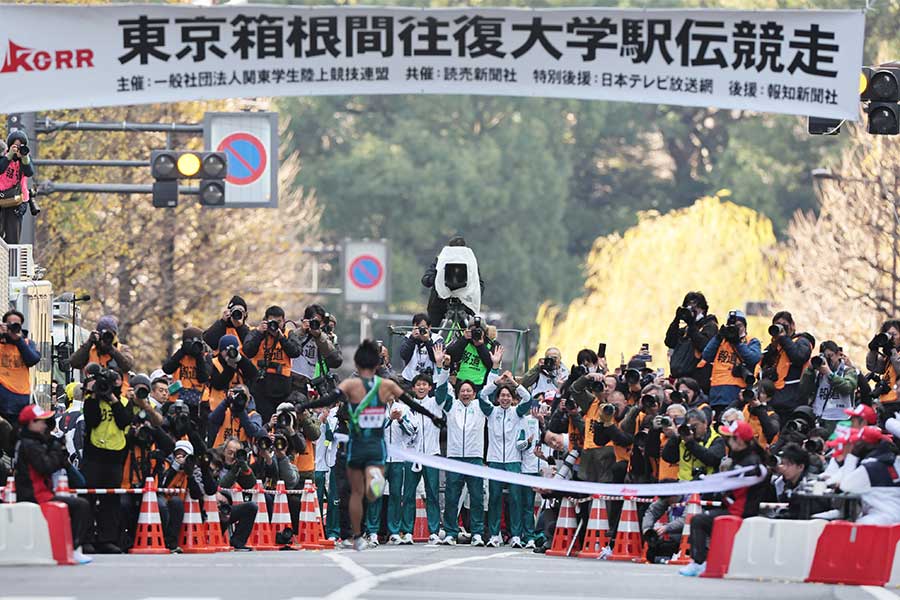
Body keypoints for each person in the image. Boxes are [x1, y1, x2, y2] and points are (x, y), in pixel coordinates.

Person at [296, 340, 444, 551]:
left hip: (382, 452)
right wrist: (306, 405)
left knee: (378, 493)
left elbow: (411, 408)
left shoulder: (390, 392)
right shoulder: (362, 390)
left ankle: (376, 532)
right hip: (361, 448)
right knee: (358, 492)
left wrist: (426, 417)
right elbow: (330, 399)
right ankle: (357, 533)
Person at [680, 420, 769, 576]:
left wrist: (717, 485)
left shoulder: (750, 462)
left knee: (698, 520)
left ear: (740, 441)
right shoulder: (740, 458)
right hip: (731, 508)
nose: (728, 440)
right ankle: (706, 560)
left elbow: (738, 488)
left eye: (731, 437)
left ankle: (699, 562)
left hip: (741, 512)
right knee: (703, 519)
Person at [14, 405, 93, 564]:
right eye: (41, 421)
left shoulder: (29, 442)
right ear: (31, 423)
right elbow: (46, 466)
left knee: (78, 504)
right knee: (81, 505)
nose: (45, 425)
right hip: (35, 496)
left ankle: (70, 548)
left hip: (41, 493)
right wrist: (57, 451)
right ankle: (72, 548)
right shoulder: (30, 445)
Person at [479, 369, 534, 548]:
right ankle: (495, 534)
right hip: (494, 460)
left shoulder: (517, 412)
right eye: (501, 395)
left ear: (512, 398)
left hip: (513, 461)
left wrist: (514, 383)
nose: (504, 398)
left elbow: (528, 399)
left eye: (507, 396)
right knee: (494, 497)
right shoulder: (491, 412)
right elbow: (481, 395)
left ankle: (516, 535)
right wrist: (496, 382)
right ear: (498, 398)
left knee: (515, 499)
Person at [81, 363, 131, 554]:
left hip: (115, 457)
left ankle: (107, 539)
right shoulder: (91, 401)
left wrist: (112, 398)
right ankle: (86, 538)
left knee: (111, 501)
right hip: (94, 456)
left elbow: (124, 421)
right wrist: (94, 394)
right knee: (88, 498)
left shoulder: (124, 402)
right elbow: (92, 421)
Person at [400, 372, 444, 544]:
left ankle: (434, 530)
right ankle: (407, 531)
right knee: (409, 494)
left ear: (430, 387)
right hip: (412, 455)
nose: (421, 387)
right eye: (418, 385)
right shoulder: (406, 407)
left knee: (432, 493)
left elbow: (442, 389)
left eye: (424, 385)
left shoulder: (435, 403)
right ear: (413, 387)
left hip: (432, 454)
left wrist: (441, 368)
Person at [243, 306, 302, 423]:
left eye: (278, 322)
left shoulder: (288, 334)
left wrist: (281, 338)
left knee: (281, 421)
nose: (275, 325)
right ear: (265, 320)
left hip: (283, 386)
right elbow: (248, 351)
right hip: (261, 385)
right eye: (272, 322)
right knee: (265, 420)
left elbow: (296, 352)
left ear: (284, 321)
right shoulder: (256, 332)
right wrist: (260, 333)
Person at [701, 310, 761, 416]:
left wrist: (737, 342)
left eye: (739, 326)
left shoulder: (751, 341)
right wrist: (719, 336)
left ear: (745, 327)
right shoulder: (721, 341)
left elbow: (753, 358)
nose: (736, 329)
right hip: (717, 391)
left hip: (738, 392)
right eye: (732, 326)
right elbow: (706, 355)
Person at [760, 311, 813, 424]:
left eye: (784, 325)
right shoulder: (775, 346)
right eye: (777, 325)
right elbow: (761, 365)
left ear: (792, 325)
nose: (780, 328)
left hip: (792, 401)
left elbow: (799, 357)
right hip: (774, 399)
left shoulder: (802, 341)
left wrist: (784, 338)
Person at [421, 236, 484, 328]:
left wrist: (469, 295)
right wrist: (438, 277)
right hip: (439, 303)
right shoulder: (441, 261)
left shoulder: (470, 264)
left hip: (464, 305)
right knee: (432, 333)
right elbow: (426, 280)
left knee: (467, 334)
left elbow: (479, 285)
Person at [800, 340, 858, 435]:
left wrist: (829, 374)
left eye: (830, 356)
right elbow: (804, 390)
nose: (828, 360)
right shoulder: (818, 372)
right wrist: (809, 371)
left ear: (838, 354)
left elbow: (848, 387)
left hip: (841, 419)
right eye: (825, 357)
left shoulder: (848, 371)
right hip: (820, 417)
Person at [664, 292, 718, 391]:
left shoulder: (709, 326)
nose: (692, 312)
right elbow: (669, 341)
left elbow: (704, 346)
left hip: (698, 380)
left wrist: (692, 325)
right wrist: (676, 320)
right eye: (688, 308)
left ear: (703, 309)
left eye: (695, 308)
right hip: (679, 378)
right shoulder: (685, 329)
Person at [215, 438, 260, 550]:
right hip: (211, 507)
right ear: (224, 451)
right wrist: (234, 470)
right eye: (229, 453)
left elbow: (250, 484)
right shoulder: (215, 462)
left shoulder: (237, 467)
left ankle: (238, 542)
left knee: (251, 507)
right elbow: (222, 485)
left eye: (235, 454)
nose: (231, 456)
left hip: (226, 508)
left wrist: (244, 466)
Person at [0, 309, 42, 426]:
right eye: (10, 324)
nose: (13, 327)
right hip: (2, 393)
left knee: (15, 434)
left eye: (16, 325)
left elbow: (32, 360)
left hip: (19, 397)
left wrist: (18, 340)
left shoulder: (27, 343)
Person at [661, 408, 725, 481]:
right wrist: (675, 437)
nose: (693, 430)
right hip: (684, 485)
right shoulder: (683, 439)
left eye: (695, 426)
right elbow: (668, 457)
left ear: (705, 423)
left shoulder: (716, 439)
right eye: (690, 427)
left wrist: (690, 443)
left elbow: (712, 459)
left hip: (706, 485)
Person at [69, 315, 135, 377]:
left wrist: (112, 349)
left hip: (118, 388)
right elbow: (74, 363)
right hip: (94, 388)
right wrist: (89, 342)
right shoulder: (90, 350)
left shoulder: (122, 349)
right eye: (104, 335)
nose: (106, 338)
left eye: (110, 336)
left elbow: (127, 366)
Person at [0, 130, 34, 243]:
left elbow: (29, 172)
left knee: (13, 236)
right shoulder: (3, 156)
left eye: (21, 146)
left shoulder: (26, 159)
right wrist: (9, 155)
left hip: (17, 200)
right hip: (1, 198)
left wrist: (24, 158)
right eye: (15, 146)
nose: (18, 149)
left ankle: (9, 259)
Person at [161, 326, 210, 407]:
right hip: (177, 400)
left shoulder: (205, 357)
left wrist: (199, 356)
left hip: (199, 402)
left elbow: (203, 378)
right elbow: (167, 369)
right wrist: (183, 351)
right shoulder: (180, 355)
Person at [446, 316, 497, 390]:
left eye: (479, 331)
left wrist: (480, 346)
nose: (476, 333)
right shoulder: (464, 341)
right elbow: (452, 356)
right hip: (461, 383)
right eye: (473, 330)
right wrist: (463, 339)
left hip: (480, 384)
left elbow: (491, 364)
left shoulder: (491, 344)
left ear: (484, 332)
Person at [866, 320, 900, 422]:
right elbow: (873, 367)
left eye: (894, 334)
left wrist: (892, 351)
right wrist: (873, 350)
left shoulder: (894, 354)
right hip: (885, 401)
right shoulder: (889, 355)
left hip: (897, 402)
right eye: (888, 334)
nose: (891, 338)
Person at [398, 313, 440, 384]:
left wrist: (427, 341)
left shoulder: (437, 338)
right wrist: (412, 339)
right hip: (410, 379)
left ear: (429, 327)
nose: (420, 331)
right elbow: (404, 355)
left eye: (423, 328)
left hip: (431, 380)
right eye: (417, 327)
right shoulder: (409, 337)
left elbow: (436, 358)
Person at [641, 495, 684, 563]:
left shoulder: (690, 498)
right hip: (673, 536)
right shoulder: (666, 499)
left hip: (690, 537)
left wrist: (666, 527)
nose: (666, 501)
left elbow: (687, 519)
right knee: (651, 553)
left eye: (668, 498)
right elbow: (652, 512)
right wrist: (647, 529)